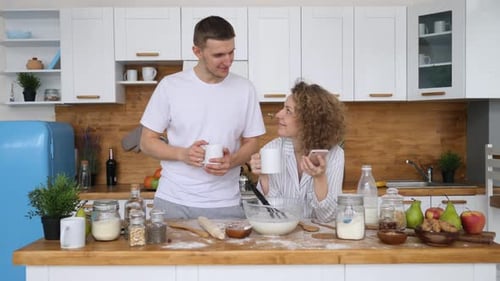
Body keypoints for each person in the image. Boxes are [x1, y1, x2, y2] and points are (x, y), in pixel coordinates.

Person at [140, 16, 265, 219]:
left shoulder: (245, 89)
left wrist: (232, 160)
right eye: (219, 55)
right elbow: (146, 142)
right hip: (173, 201)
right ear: (197, 52)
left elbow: (252, 142)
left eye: (231, 52)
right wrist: (183, 154)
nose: (228, 61)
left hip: (225, 204)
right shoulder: (170, 86)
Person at [249, 81, 346, 222]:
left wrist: (319, 178)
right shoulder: (271, 150)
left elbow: (327, 217)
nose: (278, 114)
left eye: (288, 111)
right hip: (283, 236)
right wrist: (264, 176)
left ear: (309, 121)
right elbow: (269, 212)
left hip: (318, 238)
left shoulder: (335, 155)